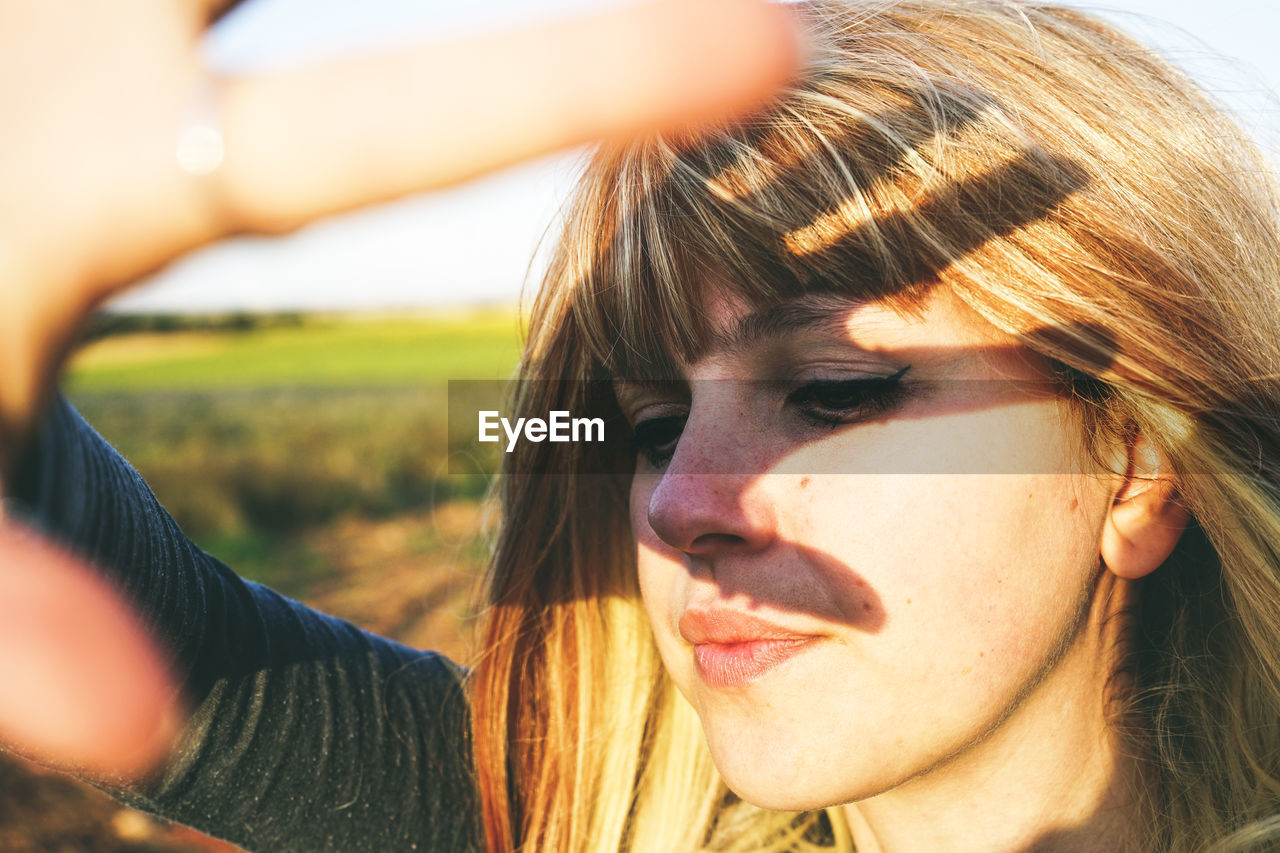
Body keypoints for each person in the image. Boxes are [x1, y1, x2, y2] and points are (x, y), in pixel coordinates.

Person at [4, 2, 1280, 853]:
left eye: (834, 392)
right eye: (655, 422)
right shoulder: (573, 816)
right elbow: (183, 650)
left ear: (1132, 465)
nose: (676, 505)